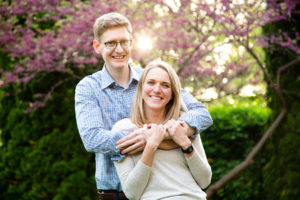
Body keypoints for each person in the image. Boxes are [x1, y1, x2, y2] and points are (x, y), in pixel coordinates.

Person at [74, 12, 213, 200]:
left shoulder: (153, 81)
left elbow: (202, 114)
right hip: (116, 193)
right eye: (110, 43)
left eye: (124, 41)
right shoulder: (88, 87)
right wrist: (144, 138)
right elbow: (92, 138)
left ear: (132, 43)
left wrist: (176, 131)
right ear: (97, 46)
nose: (119, 49)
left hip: (159, 191)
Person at [112, 60, 212, 200]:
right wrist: (151, 145)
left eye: (165, 85)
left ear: (172, 94)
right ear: (141, 88)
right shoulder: (123, 129)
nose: (157, 90)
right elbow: (131, 193)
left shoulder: (184, 124)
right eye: (151, 83)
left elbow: (204, 180)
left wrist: (184, 143)